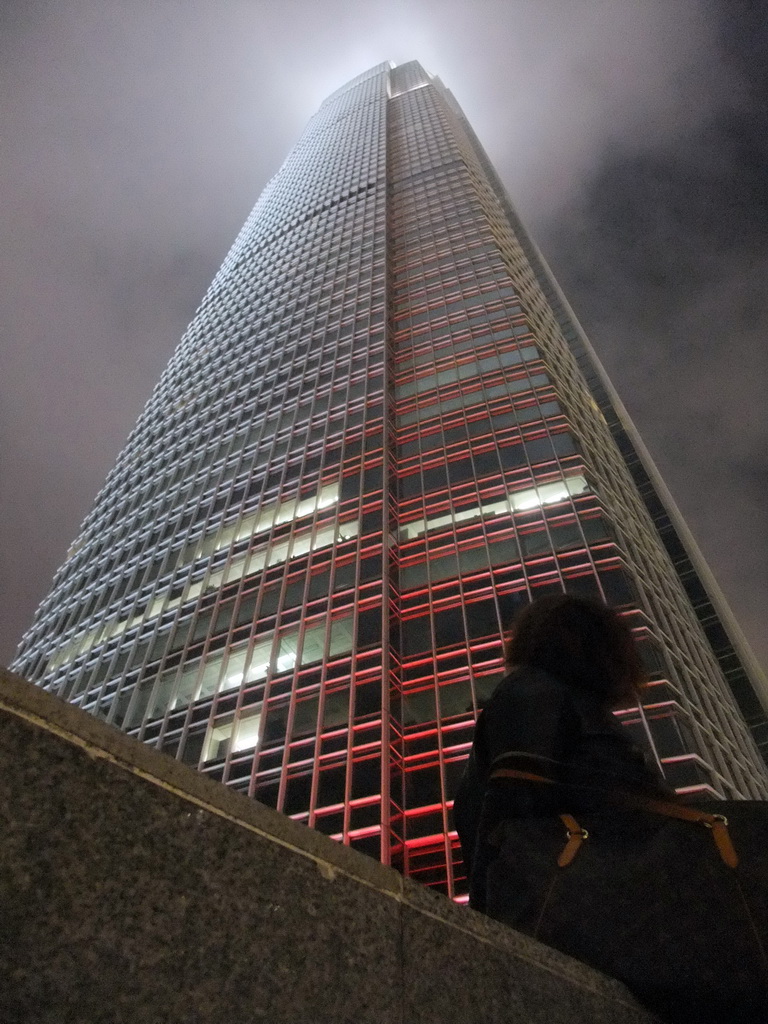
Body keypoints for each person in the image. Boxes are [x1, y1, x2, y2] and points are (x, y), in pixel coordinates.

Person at [453, 594, 768, 1023]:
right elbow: (515, 813)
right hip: (600, 899)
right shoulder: (551, 697)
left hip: (598, 900)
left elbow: (509, 814)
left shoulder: (543, 694)